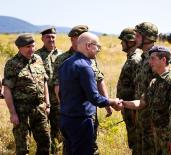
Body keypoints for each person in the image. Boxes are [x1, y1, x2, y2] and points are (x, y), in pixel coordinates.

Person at [59, 32, 122, 155]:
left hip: (65, 118)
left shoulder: (65, 64)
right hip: (81, 121)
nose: (98, 49)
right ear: (88, 45)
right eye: (97, 46)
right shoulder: (85, 67)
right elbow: (95, 98)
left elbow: (61, 93)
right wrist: (113, 101)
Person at [123, 45, 171, 155]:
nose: (149, 62)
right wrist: (122, 103)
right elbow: (142, 103)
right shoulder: (155, 81)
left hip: (168, 138)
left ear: (163, 60)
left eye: (153, 59)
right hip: (156, 136)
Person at [3, 33, 50, 154]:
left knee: (45, 142)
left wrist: (47, 104)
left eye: (33, 46)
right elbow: (7, 90)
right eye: (28, 47)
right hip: (21, 110)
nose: (32, 49)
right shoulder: (12, 64)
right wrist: (13, 113)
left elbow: (44, 81)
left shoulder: (38, 59)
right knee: (23, 147)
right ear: (20, 48)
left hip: (40, 108)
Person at [35, 26, 62, 154]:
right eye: (47, 37)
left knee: (58, 129)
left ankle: (56, 151)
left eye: (52, 37)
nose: (50, 39)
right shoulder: (36, 56)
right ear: (42, 39)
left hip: (59, 98)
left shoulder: (62, 55)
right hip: (42, 99)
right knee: (43, 130)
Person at [134, 22, 159, 154]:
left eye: (138, 35)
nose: (134, 39)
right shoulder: (143, 57)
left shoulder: (156, 57)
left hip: (151, 119)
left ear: (147, 37)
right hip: (140, 115)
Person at [116, 27, 141, 154]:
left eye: (123, 40)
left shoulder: (135, 60)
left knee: (136, 141)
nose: (121, 43)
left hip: (133, 109)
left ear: (130, 42)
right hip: (129, 107)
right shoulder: (131, 58)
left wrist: (134, 111)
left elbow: (138, 87)